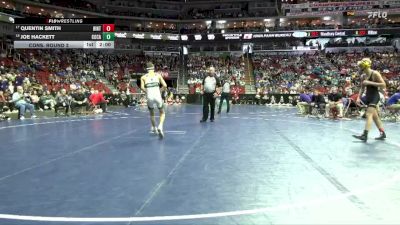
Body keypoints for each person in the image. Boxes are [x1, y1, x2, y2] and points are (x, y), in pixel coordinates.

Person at [353, 58, 387, 141]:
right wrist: (358, 97)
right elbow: (362, 88)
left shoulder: (375, 73)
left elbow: (383, 85)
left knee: (368, 114)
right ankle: (382, 133)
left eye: (360, 66)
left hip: (375, 96)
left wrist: (369, 82)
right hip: (368, 96)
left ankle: (365, 135)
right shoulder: (363, 76)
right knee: (375, 117)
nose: (359, 68)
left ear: (365, 66)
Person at [140, 62, 168, 138]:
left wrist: (147, 91)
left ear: (146, 69)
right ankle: (160, 126)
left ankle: (154, 127)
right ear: (153, 68)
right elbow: (165, 85)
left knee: (152, 113)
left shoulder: (143, 77)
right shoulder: (158, 75)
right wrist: (160, 90)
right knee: (162, 112)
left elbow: (142, 87)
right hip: (157, 95)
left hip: (149, 96)